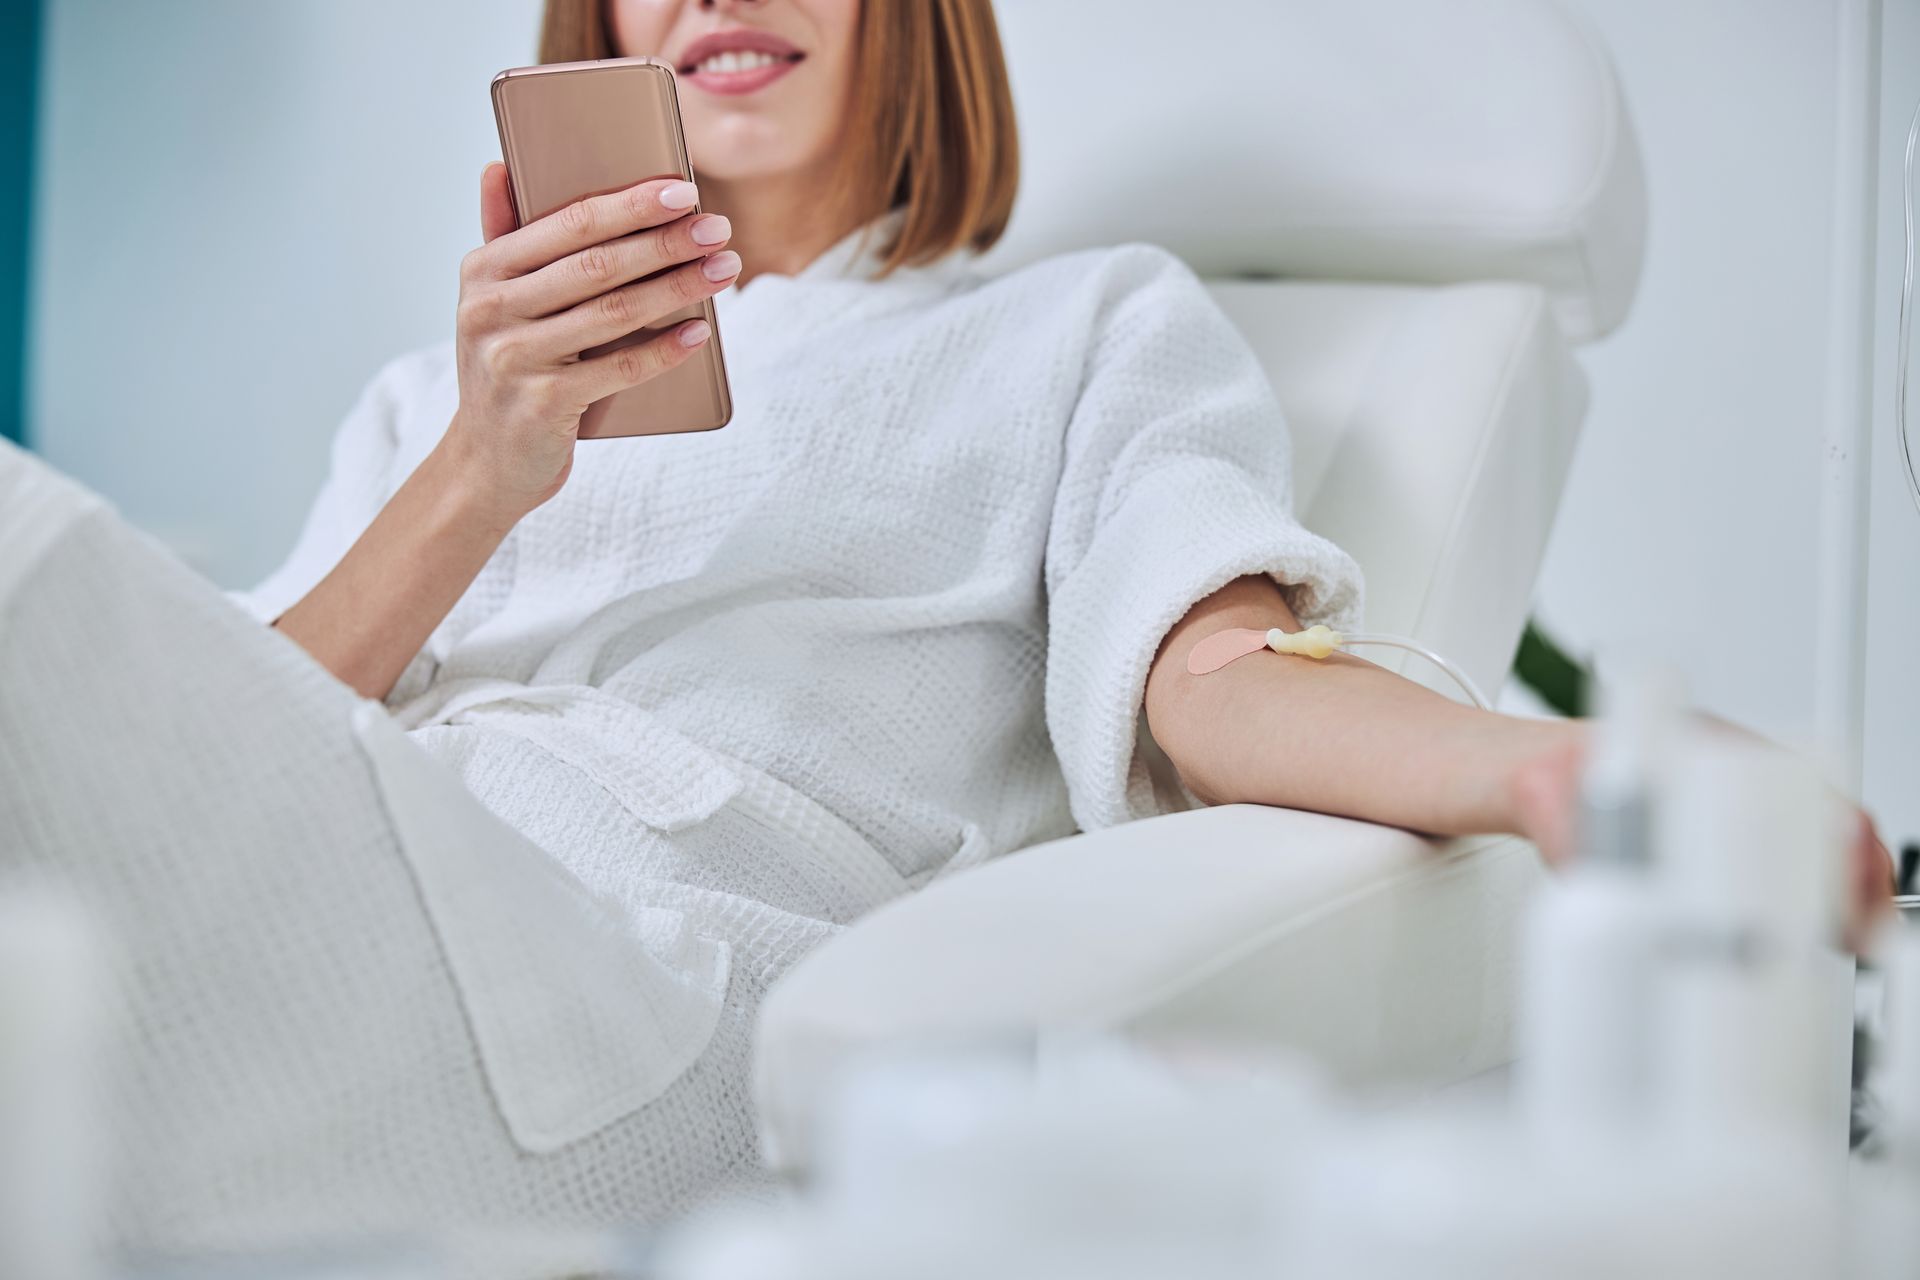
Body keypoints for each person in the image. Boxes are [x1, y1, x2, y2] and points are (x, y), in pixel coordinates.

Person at [0, 0, 1891, 1257]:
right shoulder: (452, 391)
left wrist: (1583, 774)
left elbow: (1217, 689)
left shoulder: (1075, 333)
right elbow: (214, 744)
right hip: (353, 907)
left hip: (637, 1001)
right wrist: (486, 473)